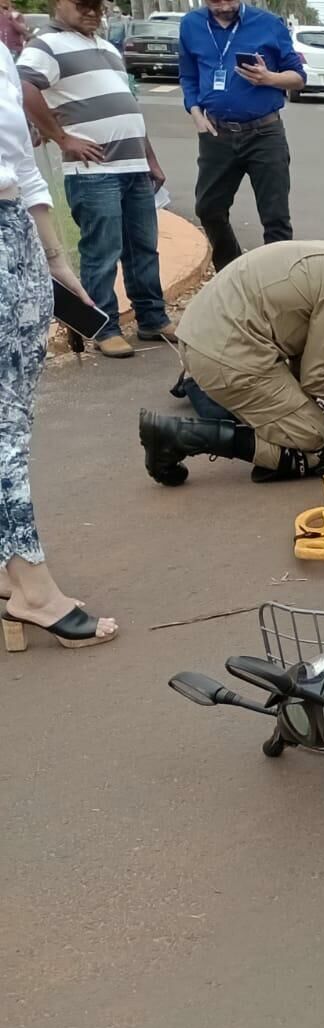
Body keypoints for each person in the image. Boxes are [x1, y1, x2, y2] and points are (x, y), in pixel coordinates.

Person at [136, 198, 324, 485]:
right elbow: (319, 376)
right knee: (316, 439)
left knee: (317, 420)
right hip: (226, 354)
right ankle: (177, 437)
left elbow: (319, 362)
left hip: (211, 339)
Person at [0, 32, 117, 650]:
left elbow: (20, 161)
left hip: (12, 234)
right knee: (3, 432)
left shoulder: (0, 52)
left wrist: (53, 258)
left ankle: (10, 569)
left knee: (9, 420)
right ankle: (33, 590)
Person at [17, 0, 173, 359]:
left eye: (97, 6)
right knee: (102, 252)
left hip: (133, 166)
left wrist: (149, 157)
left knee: (143, 247)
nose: (92, 12)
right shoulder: (46, 44)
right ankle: (104, 327)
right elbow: (24, 87)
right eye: (83, 4)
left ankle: (152, 317)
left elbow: (127, 105)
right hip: (94, 171)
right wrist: (62, 137)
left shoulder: (105, 46)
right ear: (59, 4)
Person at [177, 0, 304, 273]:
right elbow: (188, 76)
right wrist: (196, 112)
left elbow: (298, 77)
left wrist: (269, 78)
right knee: (208, 209)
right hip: (216, 134)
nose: (221, 4)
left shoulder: (269, 24)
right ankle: (232, 272)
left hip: (264, 133)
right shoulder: (191, 25)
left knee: (276, 218)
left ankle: (277, 281)